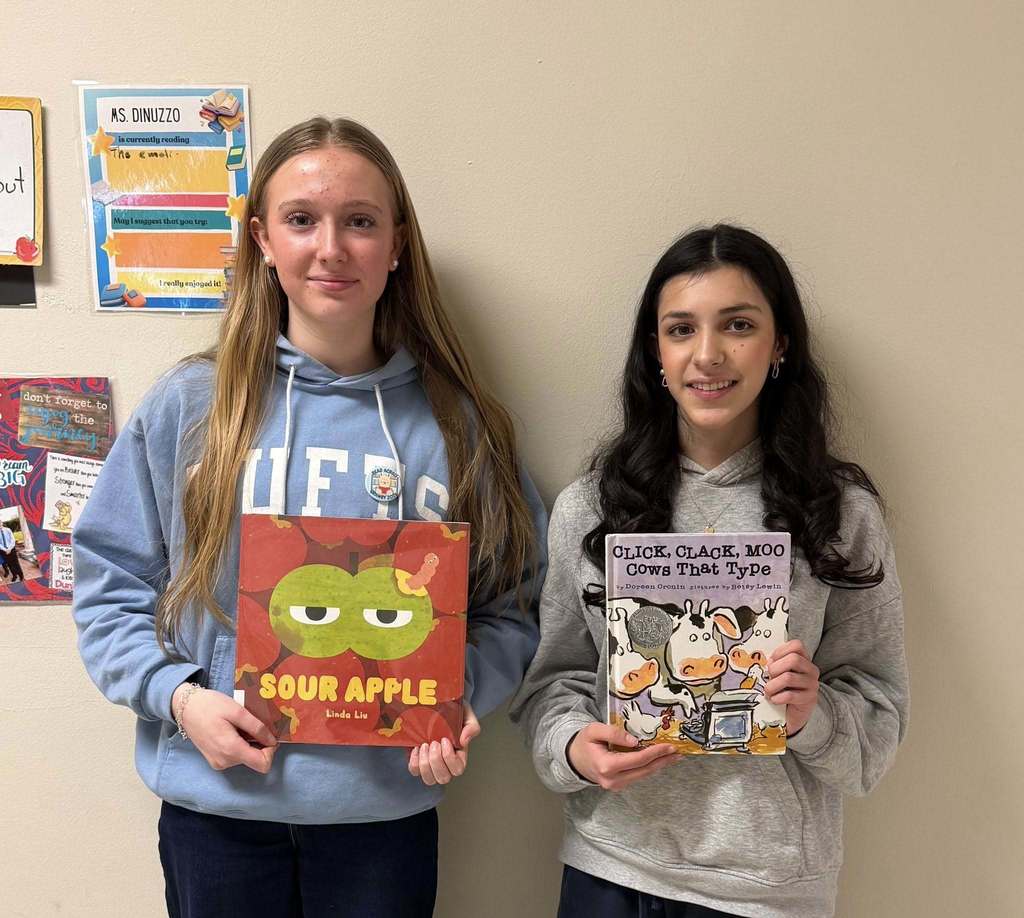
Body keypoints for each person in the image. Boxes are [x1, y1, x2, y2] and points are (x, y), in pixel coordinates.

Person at [72, 117, 546, 918]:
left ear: (397, 244)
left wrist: (456, 696)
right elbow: (109, 588)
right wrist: (181, 699)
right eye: (302, 219)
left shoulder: (458, 426)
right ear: (261, 238)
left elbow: (516, 602)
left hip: (381, 821)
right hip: (216, 810)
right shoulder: (193, 408)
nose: (331, 248)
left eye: (360, 221)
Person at [511, 224, 908, 918]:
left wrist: (810, 714)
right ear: (655, 352)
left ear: (779, 343)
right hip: (613, 866)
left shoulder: (840, 515)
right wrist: (575, 748)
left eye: (739, 325)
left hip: (768, 889)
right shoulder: (591, 507)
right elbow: (554, 682)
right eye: (681, 329)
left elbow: (877, 728)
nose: (708, 354)